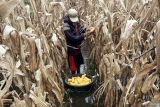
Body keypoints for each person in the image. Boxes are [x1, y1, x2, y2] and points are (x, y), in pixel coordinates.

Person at [63, 8, 94, 74]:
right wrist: (85, 35)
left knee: (80, 64)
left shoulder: (75, 22)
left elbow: (80, 29)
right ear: (69, 17)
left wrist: (87, 29)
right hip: (71, 49)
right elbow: (73, 38)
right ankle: (74, 77)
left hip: (78, 48)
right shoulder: (66, 26)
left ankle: (80, 76)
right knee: (73, 67)